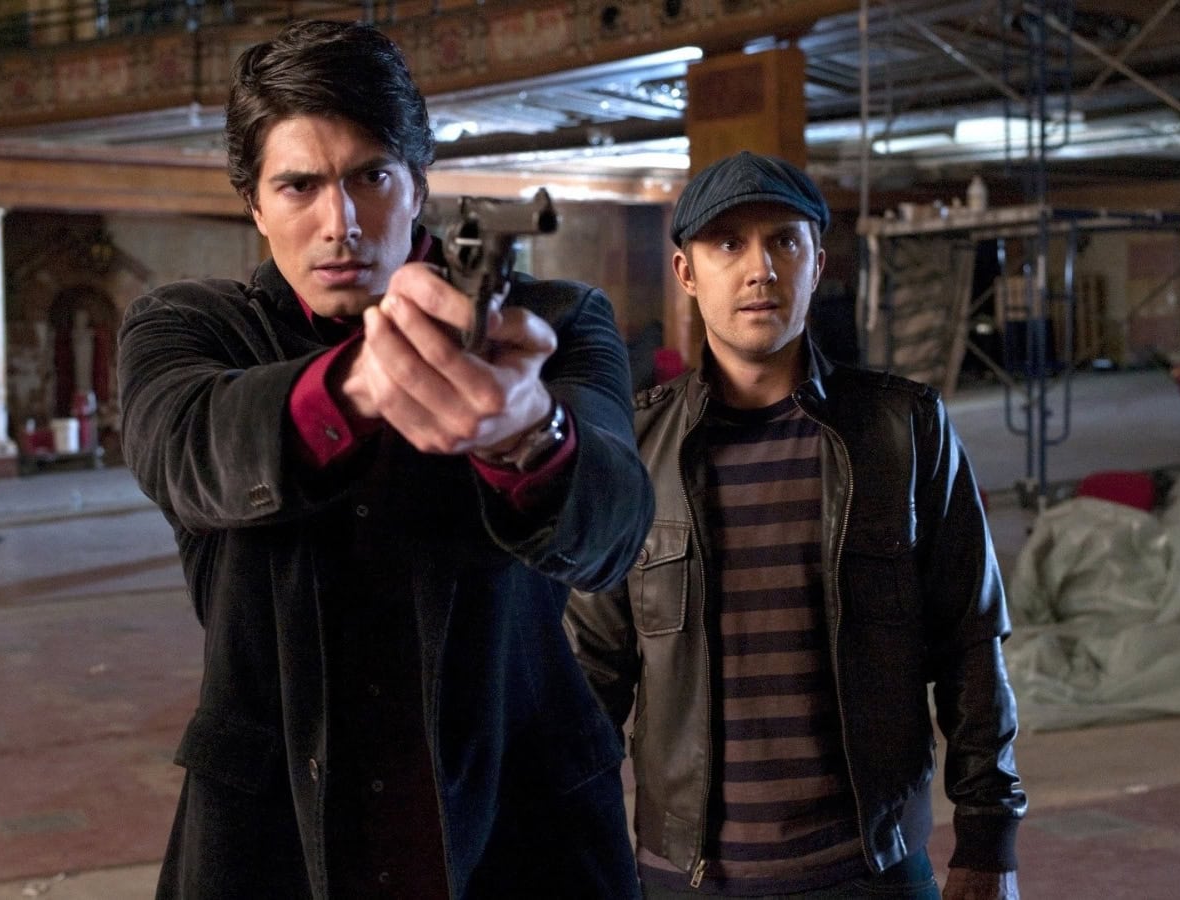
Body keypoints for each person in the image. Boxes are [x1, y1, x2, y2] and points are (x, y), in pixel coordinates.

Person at [117, 19, 654, 900]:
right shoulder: (190, 325)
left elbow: (615, 530)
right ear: (254, 205)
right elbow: (187, 450)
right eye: (299, 186)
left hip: (520, 820)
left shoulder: (555, 320)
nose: (341, 223)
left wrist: (527, 432)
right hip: (274, 830)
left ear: (417, 186)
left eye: (371, 177)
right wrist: (361, 383)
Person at [566, 151, 1027, 900]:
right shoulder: (633, 451)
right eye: (729, 244)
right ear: (687, 272)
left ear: (818, 263)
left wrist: (988, 837)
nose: (760, 269)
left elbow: (971, 641)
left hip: (872, 871)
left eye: (784, 240)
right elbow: (588, 678)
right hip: (686, 878)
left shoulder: (904, 430)